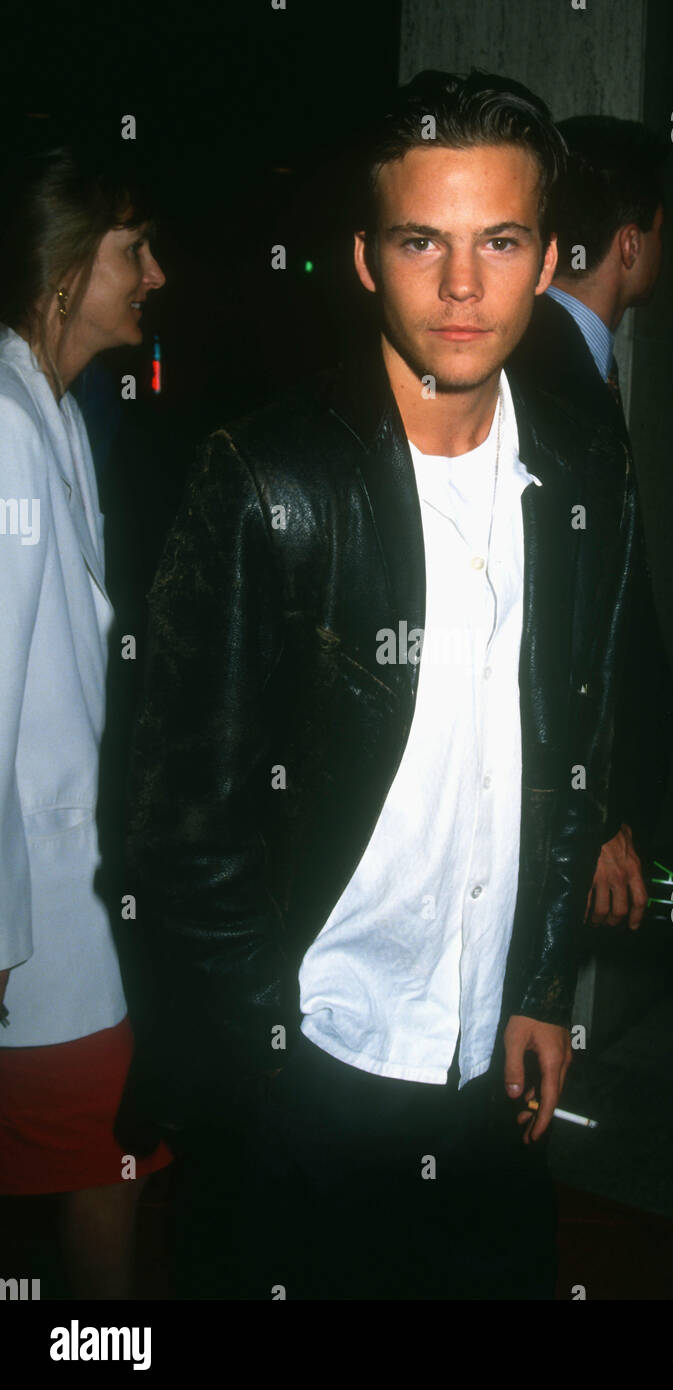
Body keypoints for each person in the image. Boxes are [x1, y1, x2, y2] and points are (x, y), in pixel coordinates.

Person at [122, 70, 643, 1300]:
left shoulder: (583, 470)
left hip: (488, 1075)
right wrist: (265, 1063)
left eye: (499, 241)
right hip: (311, 1068)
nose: (461, 287)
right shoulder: (267, 480)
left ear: (547, 253)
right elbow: (177, 831)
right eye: (422, 240)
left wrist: (540, 990)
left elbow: (571, 749)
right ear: (364, 258)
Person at [0, 143, 171, 1297]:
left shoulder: (51, 409)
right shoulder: (8, 423)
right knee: (112, 1167)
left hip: (78, 906)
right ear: (66, 267)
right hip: (38, 933)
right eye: (131, 249)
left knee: (115, 1165)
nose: (155, 273)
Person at [510, 116, 673, 934]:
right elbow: (548, 612)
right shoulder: (548, 373)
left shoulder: (568, 361)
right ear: (631, 242)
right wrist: (594, 811)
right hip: (554, 804)